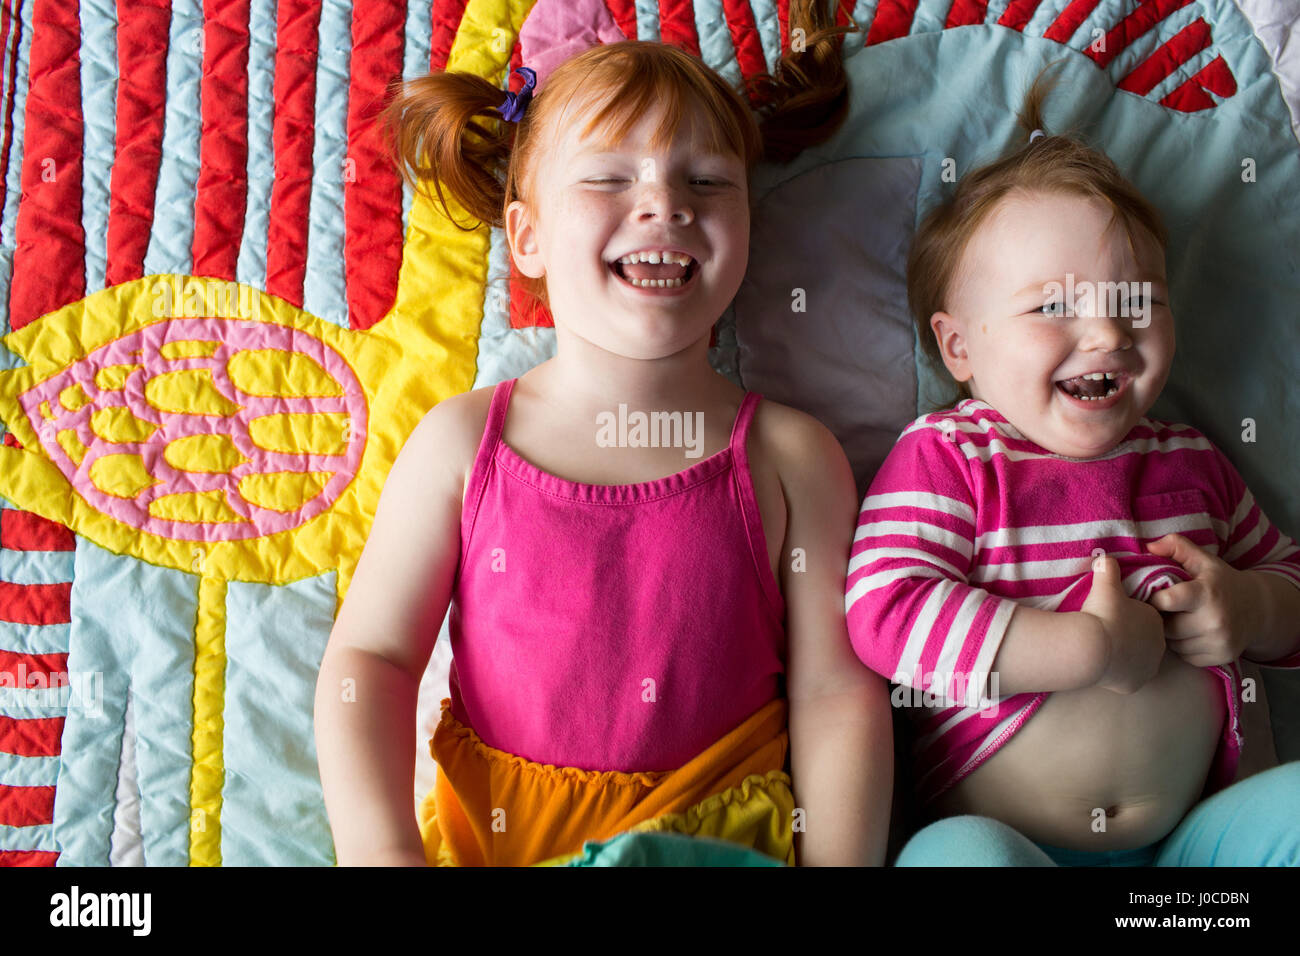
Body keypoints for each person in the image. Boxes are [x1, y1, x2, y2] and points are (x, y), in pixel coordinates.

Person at [314, 3, 894, 867]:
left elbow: (835, 691)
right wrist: (383, 854)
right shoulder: (459, 445)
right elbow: (372, 661)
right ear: (529, 236)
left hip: (723, 849)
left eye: (706, 182)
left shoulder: (789, 458)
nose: (664, 204)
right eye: (609, 179)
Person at [846, 64, 1300, 866]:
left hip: (1193, 852)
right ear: (960, 347)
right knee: (958, 858)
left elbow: (1290, 582)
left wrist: (1251, 609)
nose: (1108, 335)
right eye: (1053, 306)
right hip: (1016, 844)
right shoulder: (951, 457)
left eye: (1139, 300)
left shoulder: (1191, 461)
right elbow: (885, 611)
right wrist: (1083, 650)